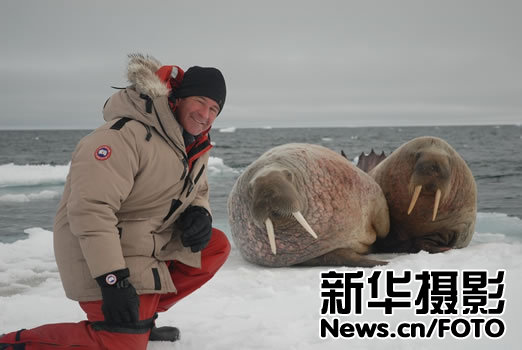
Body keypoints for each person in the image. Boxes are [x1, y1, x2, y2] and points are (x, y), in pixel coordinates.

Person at [0, 53, 231, 349]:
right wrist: (113, 281)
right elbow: (90, 211)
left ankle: (141, 320)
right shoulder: (122, 137)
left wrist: (199, 213)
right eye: (200, 101)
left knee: (214, 246)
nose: (206, 114)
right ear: (178, 98)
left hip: (143, 245)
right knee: (121, 345)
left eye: (215, 108)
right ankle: (14, 342)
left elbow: (198, 190)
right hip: (98, 253)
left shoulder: (190, 143)